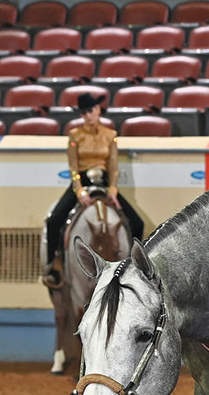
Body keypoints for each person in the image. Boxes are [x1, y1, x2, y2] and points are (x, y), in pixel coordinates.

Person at [43, 93, 144, 288]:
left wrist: (113, 189)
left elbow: (113, 166)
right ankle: (53, 265)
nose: (88, 115)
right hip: (82, 181)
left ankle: (135, 267)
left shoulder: (110, 135)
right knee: (54, 219)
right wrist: (79, 190)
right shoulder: (75, 135)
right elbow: (73, 167)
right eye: (83, 112)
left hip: (105, 182)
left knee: (137, 222)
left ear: (98, 109)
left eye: (90, 110)